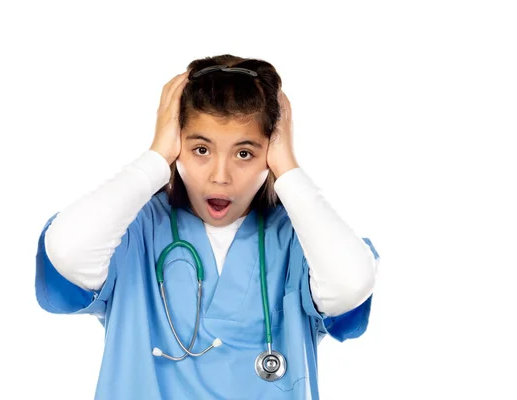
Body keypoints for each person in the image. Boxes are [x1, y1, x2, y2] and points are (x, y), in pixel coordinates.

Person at [35, 54, 380, 399]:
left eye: (244, 153)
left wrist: (288, 170)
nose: (220, 176)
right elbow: (67, 252)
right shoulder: (137, 230)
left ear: (271, 152)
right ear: (177, 144)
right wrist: (155, 158)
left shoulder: (297, 239)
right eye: (200, 149)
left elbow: (351, 284)